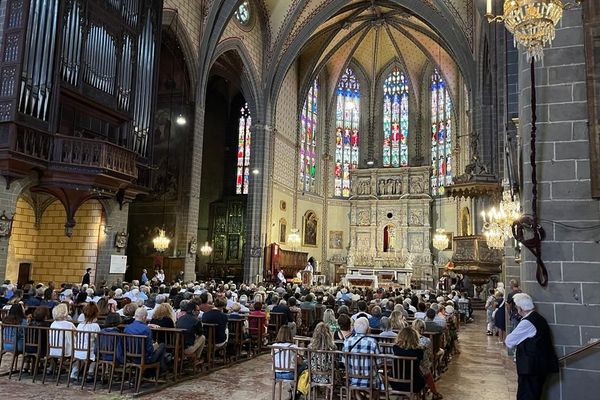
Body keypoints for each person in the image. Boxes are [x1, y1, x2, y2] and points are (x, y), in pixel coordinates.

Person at [505, 293, 558, 400]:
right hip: (538, 367)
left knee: (526, 396)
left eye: (516, 307)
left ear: (520, 308)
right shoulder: (539, 318)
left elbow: (509, 341)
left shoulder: (527, 322)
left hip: (531, 369)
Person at [124, 307, 168, 373]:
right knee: (162, 345)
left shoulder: (127, 328)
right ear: (144, 317)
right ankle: (160, 370)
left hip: (131, 357)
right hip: (145, 358)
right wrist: (155, 346)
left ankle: (156, 370)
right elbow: (149, 350)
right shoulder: (146, 329)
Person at [342, 317, 381, 391]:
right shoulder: (372, 342)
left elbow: (344, 362)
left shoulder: (347, 342)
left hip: (352, 380)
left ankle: (357, 395)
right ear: (367, 329)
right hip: (370, 380)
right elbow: (379, 363)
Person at [412, 319, 443, 400]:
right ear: (422, 329)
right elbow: (430, 355)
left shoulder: (408, 339)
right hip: (421, 367)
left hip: (409, 366)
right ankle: (434, 392)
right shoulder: (426, 340)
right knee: (427, 370)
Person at [71, 303, 101, 381]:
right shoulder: (95, 326)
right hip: (89, 352)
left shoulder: (80, 325)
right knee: (96, 355)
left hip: (78, 350)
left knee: (81, 357)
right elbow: (98, 339)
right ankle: (90, 372)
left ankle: (74, 372)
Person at [390, 327, 426, 394]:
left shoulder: (395, 348)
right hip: (414, 384)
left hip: (395, 383)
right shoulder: (419, 351)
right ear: (415, 338)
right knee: (423, 375)